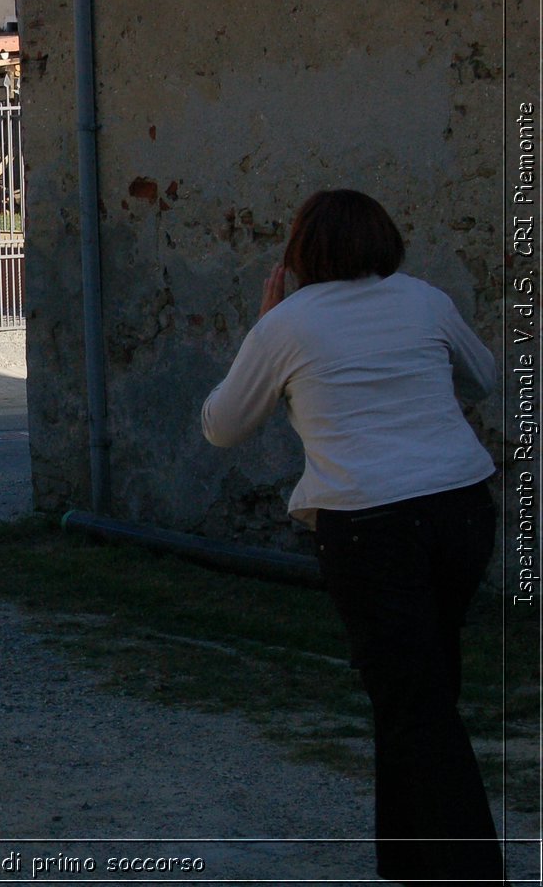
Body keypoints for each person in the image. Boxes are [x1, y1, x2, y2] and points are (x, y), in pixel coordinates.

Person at [201, 189, 502, 885]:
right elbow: (483, 379)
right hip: (460, 509)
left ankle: (472, 874)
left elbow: (221, 425)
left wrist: (267, 328)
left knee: (414, 702)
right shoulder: (424, 299)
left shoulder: (289, 324)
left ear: (301, 254)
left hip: (370, 529)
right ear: (385, 239)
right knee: (421, 688)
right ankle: (409, 857)